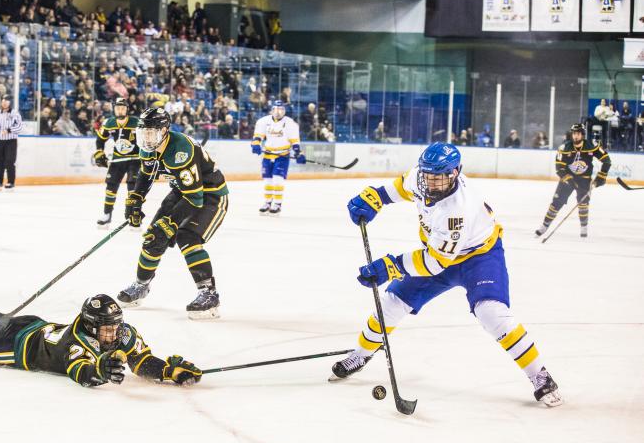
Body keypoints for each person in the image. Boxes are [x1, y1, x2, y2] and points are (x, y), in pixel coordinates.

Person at [330, 142, 563, 408]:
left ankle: (540, 376)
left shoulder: (458, 209)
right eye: (428, 176)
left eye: (439, 178)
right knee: (392, 304)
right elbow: (400, 189)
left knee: (492, 313)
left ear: (455, 173)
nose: (431, 183)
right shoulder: (422, 176)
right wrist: (376, 197)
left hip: (479, 257)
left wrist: (390, 266)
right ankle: (360, 355)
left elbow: (434, 264)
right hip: (437, 255)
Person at [0, 267, 201, 388]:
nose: (114, 333)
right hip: (14, 347)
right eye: (106, 328)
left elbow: (142, 359)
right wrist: (101, 371)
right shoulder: (78, 343)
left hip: (31, 326)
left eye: (115, 326)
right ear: (92, 327)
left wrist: (169, 372)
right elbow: (80, 371)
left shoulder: (119, 333)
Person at [119, 108, 228, 320]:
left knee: (187, 237)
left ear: (165, 130)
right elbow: (146, 174)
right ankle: (141, 286)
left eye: (152, 132)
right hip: (182, 192)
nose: (147, 138)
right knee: (154, 237)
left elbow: (195, 198)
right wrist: (135, 199)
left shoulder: (180, 150)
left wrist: (170, 222)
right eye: (144, 132)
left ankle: (209, 293)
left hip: (210, 195)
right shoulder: (148, 147)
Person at [534, 123, 611, 239]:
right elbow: (559, 168)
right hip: (568, 179)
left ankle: (584, 228)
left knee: (583, 204)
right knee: (556, 203)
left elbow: (607, 161)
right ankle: (544, 226)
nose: (576, 136)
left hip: (584, 180)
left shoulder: (592, 145)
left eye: (578, 133)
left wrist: (601, 177)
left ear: (583, 135)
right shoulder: (564, 148)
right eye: (574, 133)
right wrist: (569, 180)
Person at [250, 100, 305, 216]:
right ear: (271, 110)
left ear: (284, 111)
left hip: (282, 156)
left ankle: (277, 204)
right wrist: (255, 144)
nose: (278, 112)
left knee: (277, 180)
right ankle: (268, 202)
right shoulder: (263, 121)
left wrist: (298, 153)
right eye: (275, 109)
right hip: (268, 155)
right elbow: (258, 136)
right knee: (267, 180)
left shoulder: (290, 123)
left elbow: (295, 141)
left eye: (281, 110)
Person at [93, 97, 140, 227]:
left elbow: (147, 139)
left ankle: (134, 214)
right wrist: (99, 153)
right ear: (114, 109)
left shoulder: (137, 123)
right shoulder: (109, 123)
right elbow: (100, 139)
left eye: (123, 108)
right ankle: (107, 214)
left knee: (133, 185)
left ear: (127, 109)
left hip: (135, 159)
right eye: (118, 108)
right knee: (111, 186)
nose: (120, 110)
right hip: (117, 158)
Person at [0, 94, 23, 190]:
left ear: (10, 102)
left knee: (9, 161)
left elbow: (20, 127)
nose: (4, 103)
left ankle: (10, 182)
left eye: (6, 101)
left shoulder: (15, 113)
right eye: (3, 101)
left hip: (11, 141)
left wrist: (9, 130)